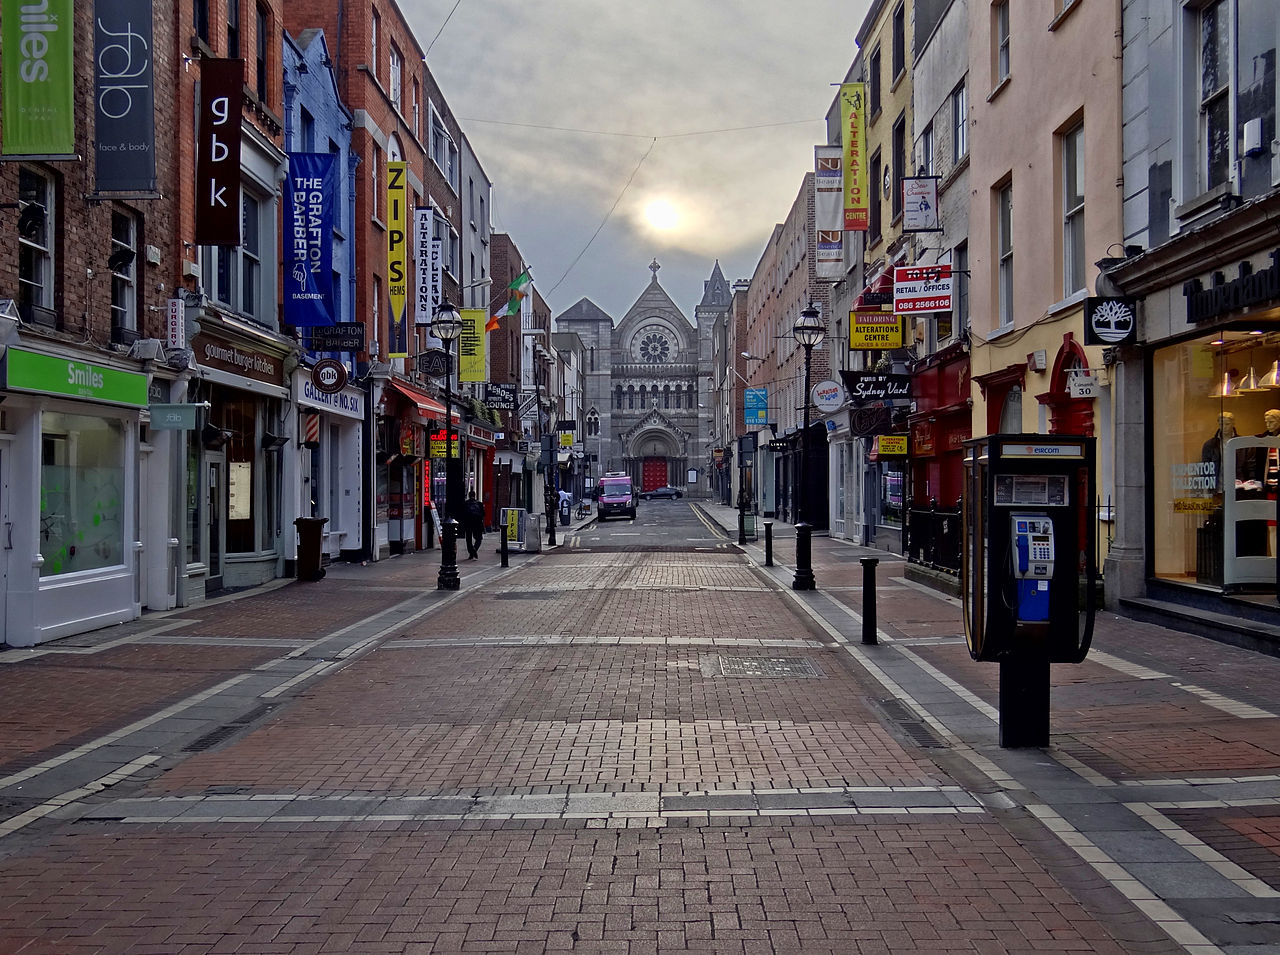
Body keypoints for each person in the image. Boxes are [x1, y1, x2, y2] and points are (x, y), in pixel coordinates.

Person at [463, 492, 485, 560]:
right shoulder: (479, 503)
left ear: (469, 496)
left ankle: (471, 552)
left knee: (468, 539)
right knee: (479, 539)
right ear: (475, 496)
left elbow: (462, 514)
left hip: (468, 523)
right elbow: (483, 514)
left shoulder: (465, 503)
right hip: (477, 523)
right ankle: (474, 550)